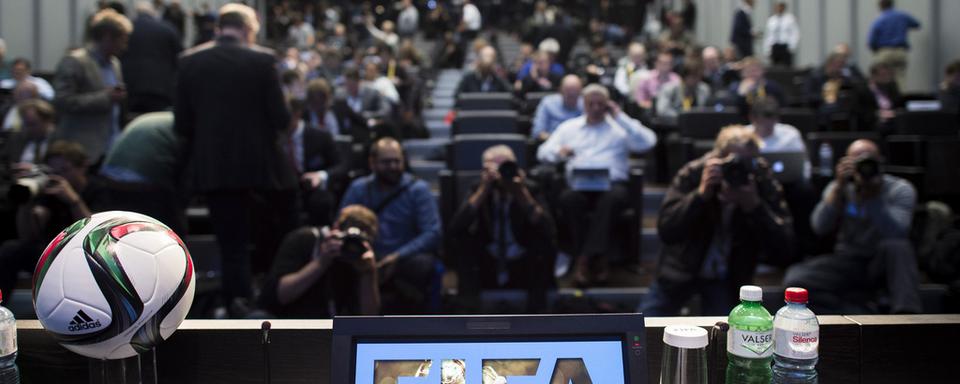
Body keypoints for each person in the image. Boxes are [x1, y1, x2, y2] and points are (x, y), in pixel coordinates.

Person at [174, 3, 299, 316]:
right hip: (263, 170)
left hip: (215, 169)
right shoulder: (262, 60)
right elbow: (281, 118)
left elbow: (182, 125)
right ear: (248, 29)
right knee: (275, 236)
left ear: (220, 27)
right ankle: (273, 300)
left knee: (232, 244)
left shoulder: (190, 61)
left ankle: (236, 305)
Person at [640, 126, 793, 316]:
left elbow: (784, 248)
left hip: (728, 277)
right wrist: (700, 196)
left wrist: (754, 206)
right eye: (731, 163)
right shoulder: (696, 174)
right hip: (680, 270)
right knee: (645, 324)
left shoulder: (760, 179)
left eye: (745, 163)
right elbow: (667, 230)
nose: (737, 170)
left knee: (724, 337)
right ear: (717, 159)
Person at [537, 84, 657, 286]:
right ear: (583, 104)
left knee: (611, 199)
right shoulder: (569, 128)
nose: (595, 107)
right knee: (568, 200)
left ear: (607, 105)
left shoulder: (619, 129)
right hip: (578, 185)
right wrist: (559, 153)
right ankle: (597, 258)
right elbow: (542, 153)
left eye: (600, 103)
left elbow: (648, 142)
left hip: (611, 185)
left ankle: (584, 259)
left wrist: (620, 116)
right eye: (590, 103)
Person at [784, 139, 921, 314]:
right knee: (795, 280)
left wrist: (873, 198)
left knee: (898, 247)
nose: (864, 167)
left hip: (884, 260)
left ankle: (907, 317)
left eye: (869, 160)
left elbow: (898, 232)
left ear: (880, 162)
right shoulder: (839, 188)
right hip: (849, 259)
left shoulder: (900, 189)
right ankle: (860, 313)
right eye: (857, 161)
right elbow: (819, 226)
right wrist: (838, 190)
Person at [448, 145, 556, 312]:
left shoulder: (530, 188)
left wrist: (521, 194)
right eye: (494, 167)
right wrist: (483, 190)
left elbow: (549, 229)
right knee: (463, 241)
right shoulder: (479, 188)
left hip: (522, 263)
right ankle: (468, 313)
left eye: (506, 166)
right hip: (488, 262)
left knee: (543, 243)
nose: (501, 173)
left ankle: (537, 317)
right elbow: (456, 227)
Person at [340, 138, 441, 313]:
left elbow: (432, 232)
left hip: (404, 258)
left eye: (397, 161)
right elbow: (342, 225)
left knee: (425, 265)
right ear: (372, 163)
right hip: (365, 255)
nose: (393, 167)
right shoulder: (358, 189)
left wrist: (397, 256)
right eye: (386, 162)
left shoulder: (418, 189)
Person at [0, 141, 105, 299]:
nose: (59, 176)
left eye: (65, 170)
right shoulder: (50, 190)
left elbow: (97, 234)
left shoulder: (98, 189)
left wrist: (74, 201)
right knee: (11, 248)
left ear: (83, 167)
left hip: (86, 255)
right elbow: (28, 236)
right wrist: (26, 204)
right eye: (53, 171)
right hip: (54, 252)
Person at [259, 205, 380, 318]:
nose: (352, 247)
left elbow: (369, 320)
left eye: (359, 242)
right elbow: (281, 295)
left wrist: (369, 274)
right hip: (287, 320)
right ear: (336, 228)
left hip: (331, 330)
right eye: (348, 239)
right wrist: (321, 263)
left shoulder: (362, 261)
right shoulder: (304, 240)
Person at [52, 8, 132, 163]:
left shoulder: (115, 64)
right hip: (82, 150)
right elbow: (62, 101)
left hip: (110, 145)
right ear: (107, 37)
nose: (125, 46)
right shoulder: (74, 62)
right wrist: (106, 97)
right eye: (123, 40)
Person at [98, 111, 186, 234]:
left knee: (119, 229)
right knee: (170, 229)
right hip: (144, 178)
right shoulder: (186, 125)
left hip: (109, 173)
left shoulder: (158, 117)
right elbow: (188, 172)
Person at [286, 98, 348, 227]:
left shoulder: (321, 135)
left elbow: (342, 166)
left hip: (311, 190)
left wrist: (321, 175)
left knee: (322, 201)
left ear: (297, 113)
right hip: (284, 189)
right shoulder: (273, 138)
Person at [121, 1, 183, 114]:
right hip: (161, 89)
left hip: (131, 88)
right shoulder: (168, 29)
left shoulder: (126, 30)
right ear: (153, 12)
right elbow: (179, 59)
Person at [331, 66, 393, 140]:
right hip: (345, 132)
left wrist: (365, 115)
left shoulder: (372, 93)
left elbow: (385, 110)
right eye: (347, 84)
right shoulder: (340, 96)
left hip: (366, 130)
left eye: (352, 85)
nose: (349, 88)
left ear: (359, 82)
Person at [868, 0, 920, 88]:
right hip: (900, 51)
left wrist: (875, 50)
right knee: (900, 77)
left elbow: (872, 40)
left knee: (881, 76)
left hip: (885, 51)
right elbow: (917, 24)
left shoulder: (880, 20)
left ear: (881, 7)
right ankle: (901, 99)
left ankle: (884, 99)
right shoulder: (902, 16)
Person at [2, 99, 55, 167]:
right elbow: (5, 164)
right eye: (25, 124)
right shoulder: (15, 139)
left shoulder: (58, 142)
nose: (28, 129)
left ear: (47, 121)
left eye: (32, 124)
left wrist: (34, 170)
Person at [531, 74, 583, 141]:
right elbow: (538, 132)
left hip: (580, 145)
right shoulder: (548, 103)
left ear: (581, 91)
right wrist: (558, 141)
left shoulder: (586, 105)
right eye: (569, 92)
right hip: (552, 144)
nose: (572, 94)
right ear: (561, 90)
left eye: (575, 92)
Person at [763, 2, 799, 68]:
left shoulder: (790, 19)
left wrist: (792, 46)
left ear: (784, 8)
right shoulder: (771, 20)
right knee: (774, 67)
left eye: (781, 7)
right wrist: (767, 50)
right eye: (777, 7)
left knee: (787, 67)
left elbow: (795, 33)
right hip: (775, 46)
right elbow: (769, 36)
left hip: (785, 46)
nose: (779, 9)